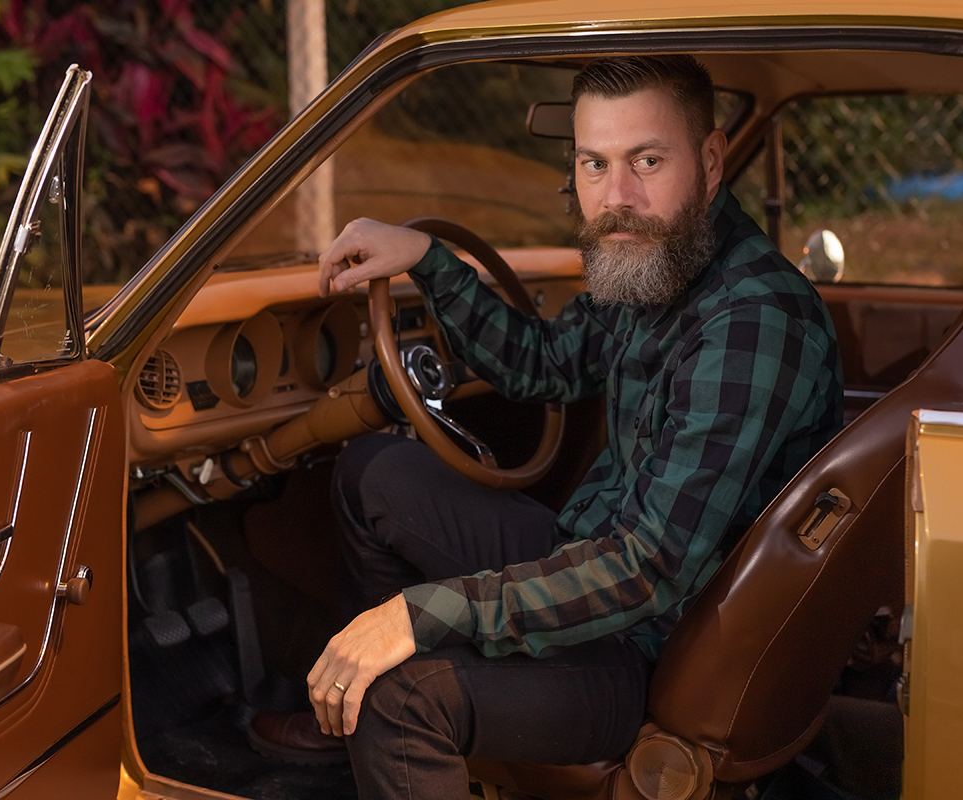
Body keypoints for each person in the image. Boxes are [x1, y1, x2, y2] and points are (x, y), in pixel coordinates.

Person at [248, 55, 844, 798]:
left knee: (401, 699)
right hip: (592, 563)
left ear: (712, 161)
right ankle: (358, 722)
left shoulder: (752, 321)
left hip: (657, 646)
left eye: (647, 161)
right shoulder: (656, 257)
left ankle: (382, 723)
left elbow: (648, 569)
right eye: (595, 164)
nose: (616, 198)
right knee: (373, 474)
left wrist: (417, 617)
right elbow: (544, 364)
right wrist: (430, 261)